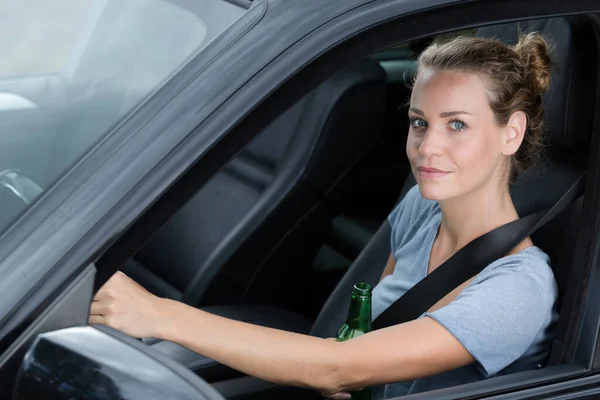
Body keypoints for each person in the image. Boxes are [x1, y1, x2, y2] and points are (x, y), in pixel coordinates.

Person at [89, 32, 555, 398]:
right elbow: (366, 323)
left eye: (457, 125)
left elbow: (337, 366)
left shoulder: (517, 291)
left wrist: (157, 315)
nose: (427, 147)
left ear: (510, 133)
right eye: (419, 122)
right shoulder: (423, 207)